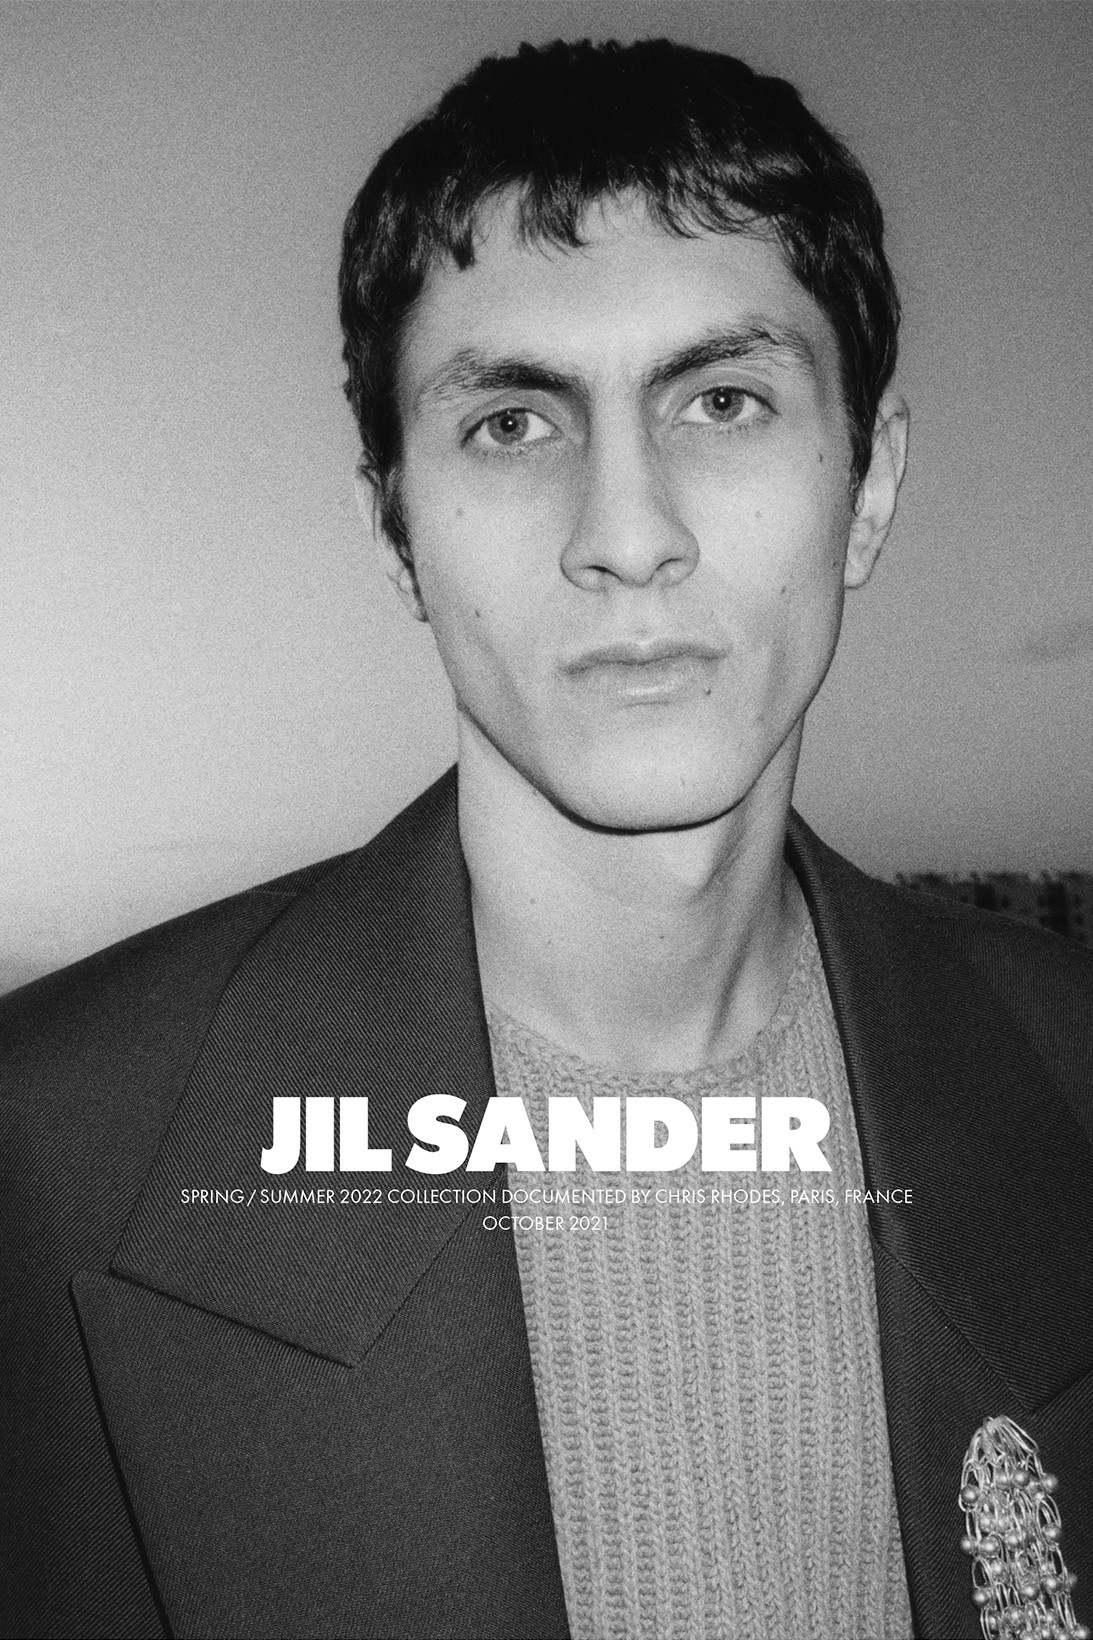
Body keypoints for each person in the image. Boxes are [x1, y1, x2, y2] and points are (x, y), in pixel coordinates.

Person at [3, 36, 1092, 1640]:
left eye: (722, 401)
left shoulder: (1067, 1070)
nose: (626, 535)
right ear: (396, 531)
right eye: (513, 423)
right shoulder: (48, 1154)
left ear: (866, 490)